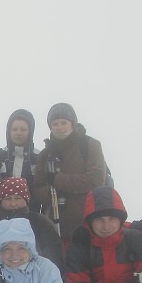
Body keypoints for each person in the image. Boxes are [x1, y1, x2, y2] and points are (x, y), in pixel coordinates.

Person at [33, 103, 108, 247]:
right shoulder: (45, 154)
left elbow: (96, 180)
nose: (60, 127)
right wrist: (52, 193)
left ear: (72, 123)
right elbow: (37, 189)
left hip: (88, 222)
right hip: (55, 225)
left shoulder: (90, 145)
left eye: (64, 123)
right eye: (55, 124)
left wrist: (58, 181)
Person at [0, 177, 64, 274]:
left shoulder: (41, 222)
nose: (13, 204)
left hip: (37, 276)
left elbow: (53, 255)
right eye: (7, 199)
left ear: (26, 199)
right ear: (0, 200)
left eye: (18, 198)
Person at [0, 109, 42, 210]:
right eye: (14, 129)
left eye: (23, 129)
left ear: (30, 131)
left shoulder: (39, 157)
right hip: (1, 217)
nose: (18, 133)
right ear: (9, 131)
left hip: (32, 217)